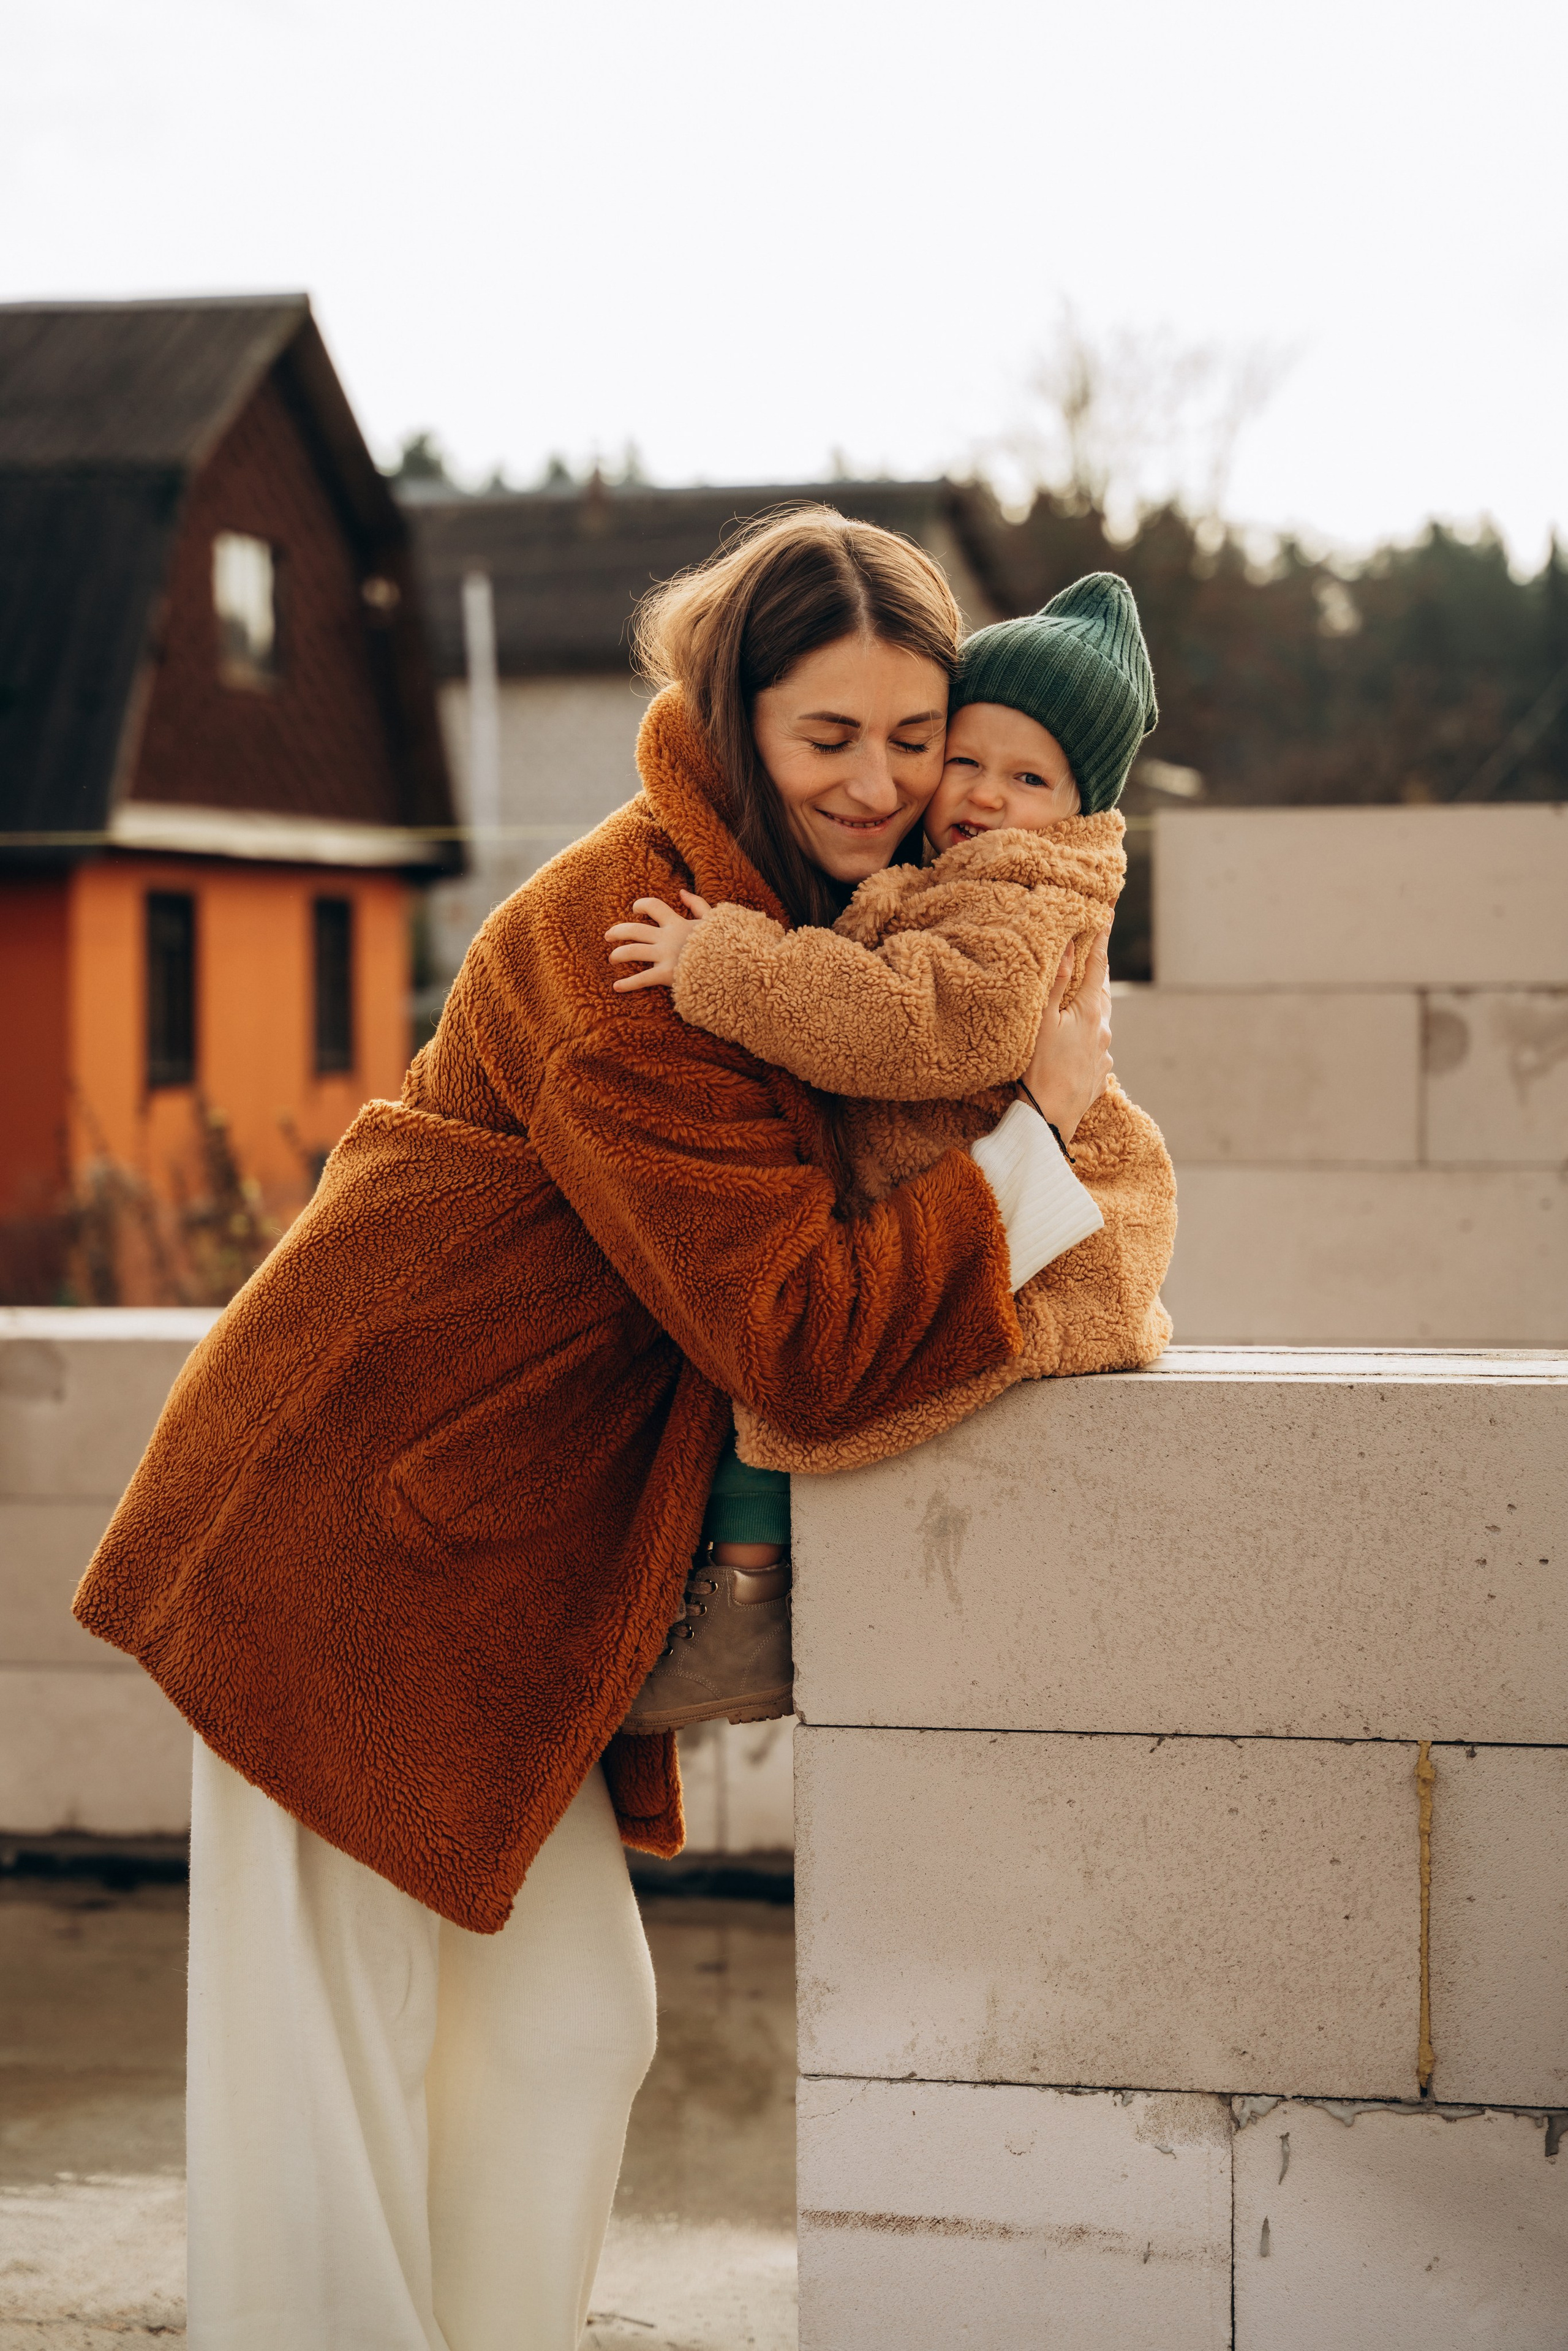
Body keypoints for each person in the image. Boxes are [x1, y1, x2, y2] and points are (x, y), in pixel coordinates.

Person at [71, 508, 1119, 2351]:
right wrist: (1038, 1152)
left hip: (474, 1561)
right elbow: (792, 1331)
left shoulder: (789, 931)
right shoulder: (629, 945)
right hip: (336, 1530)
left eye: (912, 735)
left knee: (565, 2026)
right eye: (827, 738)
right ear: (734, 719)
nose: (882, 784)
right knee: (326, 2081)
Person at [610, 576, 1175, 1732]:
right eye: (965, 759)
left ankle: (749, 1607)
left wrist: (726, 964)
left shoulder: (1022, 899)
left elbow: (917, 1025)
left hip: (1050, 1237)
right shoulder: (956, 877)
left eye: (1030, 779)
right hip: (996, 1196)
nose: (981, 795)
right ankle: (745, 1597)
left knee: (796, 1384)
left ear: (1079, 806)